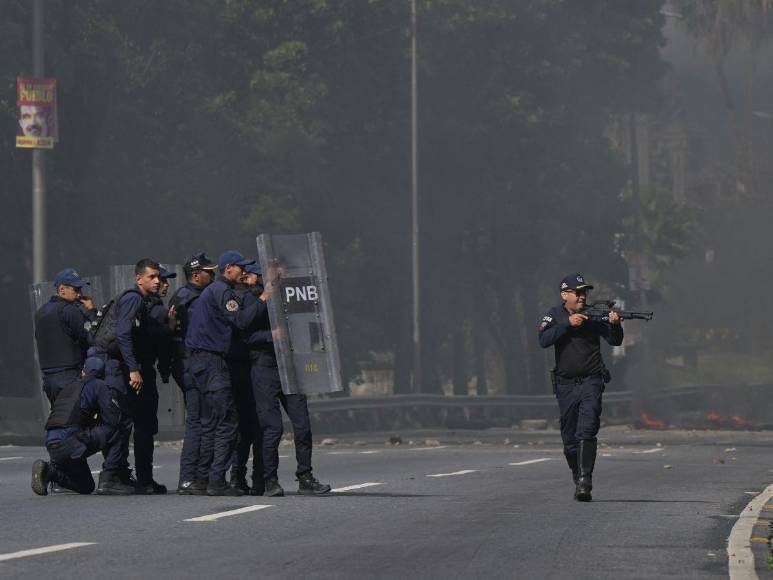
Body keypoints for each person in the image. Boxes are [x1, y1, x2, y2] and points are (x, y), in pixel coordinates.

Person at [244, 265, 331, 497]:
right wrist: (270, 335)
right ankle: (269, 479)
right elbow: (244, 332)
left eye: (284, 271)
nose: (282, 275)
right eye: (276, 271)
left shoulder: (293, 296)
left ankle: (305, 476)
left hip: (291, 367)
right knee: (272, 427)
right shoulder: (252, 297)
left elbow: (312, 323)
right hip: (264, 367)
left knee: (302, 424)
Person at [538, 273, 623, 502]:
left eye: (584, 292)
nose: (582, 296)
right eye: (578, 292)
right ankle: (577, 473)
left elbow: (615, 340)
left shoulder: (594, 316)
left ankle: (585, 480)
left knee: (587, 429)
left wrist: (615, 325)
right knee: (569, 442)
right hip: (566, 386)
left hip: (591, 381)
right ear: (565, 295)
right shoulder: (554, 314)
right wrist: (568, 323)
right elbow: (543, 340)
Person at [185, 251, 260, 496]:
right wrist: (262, 297)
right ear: (228, 269)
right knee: (228, 421)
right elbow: (241, 320)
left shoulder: (213, 291)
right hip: (212, 363)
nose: (245, 273)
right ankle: (217, 480)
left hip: (199, 362)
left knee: (210, 423)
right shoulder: (223, 291)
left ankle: (201, 479)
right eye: (241, 268)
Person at [99, 258, 161, 494]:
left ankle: (129, 476)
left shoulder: (142, 301)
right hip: (116, 367)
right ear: (139, 279)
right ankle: (110, 476)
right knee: (120, 421)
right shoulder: (133, 298)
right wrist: (133, 368)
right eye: (151, 277)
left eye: (158, 277)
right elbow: (123, 335)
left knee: (131, 421)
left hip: (121, 366)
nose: (156, 281)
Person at [31, 356, 133, 496]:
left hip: (52, 444)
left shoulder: (68, 387)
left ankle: (51, 472)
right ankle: (110, 478)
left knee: (86, 486)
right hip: (72, 442)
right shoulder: (99, 385)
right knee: (121, 426)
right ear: (102, 374)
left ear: (83, 372)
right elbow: (113, 419)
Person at [168, 253, 218, 495]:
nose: (214, 276)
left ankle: (195, 477)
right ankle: (191, 478)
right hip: (193, 365)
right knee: (199, 422)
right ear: (197, 275)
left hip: (186, 364)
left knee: (200, 420)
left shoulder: (183, 295)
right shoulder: (192, 299)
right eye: (210, 272)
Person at [129, 266, 177, 494]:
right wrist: (170, 328)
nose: (163, 284)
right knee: (145, 427)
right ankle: (144, 478)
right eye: (159, 279)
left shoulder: (140, 304)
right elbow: (160, 342)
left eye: (164, 280)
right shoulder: (157, 310)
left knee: (134, 427)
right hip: (141, 372)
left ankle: (126, 475)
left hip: (132, 370)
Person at [227, 263, 264, 494]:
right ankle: (237, 475)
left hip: (259, 368)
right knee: (244, 428)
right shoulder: (240, 296)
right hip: (241, 368)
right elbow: (243, 326)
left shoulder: (266, 296)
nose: (248, 276)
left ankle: (259, 477)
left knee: (260, 427)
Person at [34, 268, 97, 404]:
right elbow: (92, 338)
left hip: (49, 379)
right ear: (62, 289)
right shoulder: (70, 311)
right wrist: (92, 312)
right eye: (76, 289)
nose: (80, 294)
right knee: (75, 420)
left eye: (80, 289)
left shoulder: (40, 312)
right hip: (69, 375)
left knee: (59, 418)